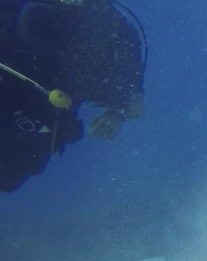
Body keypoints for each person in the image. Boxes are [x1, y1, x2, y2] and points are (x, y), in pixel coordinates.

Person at [0, 0, 145, 193]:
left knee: (9, 177)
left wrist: (117, 112)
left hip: (49, 113)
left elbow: (130, 82)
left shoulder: (114, 28)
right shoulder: (21, 7)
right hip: (8, 86)